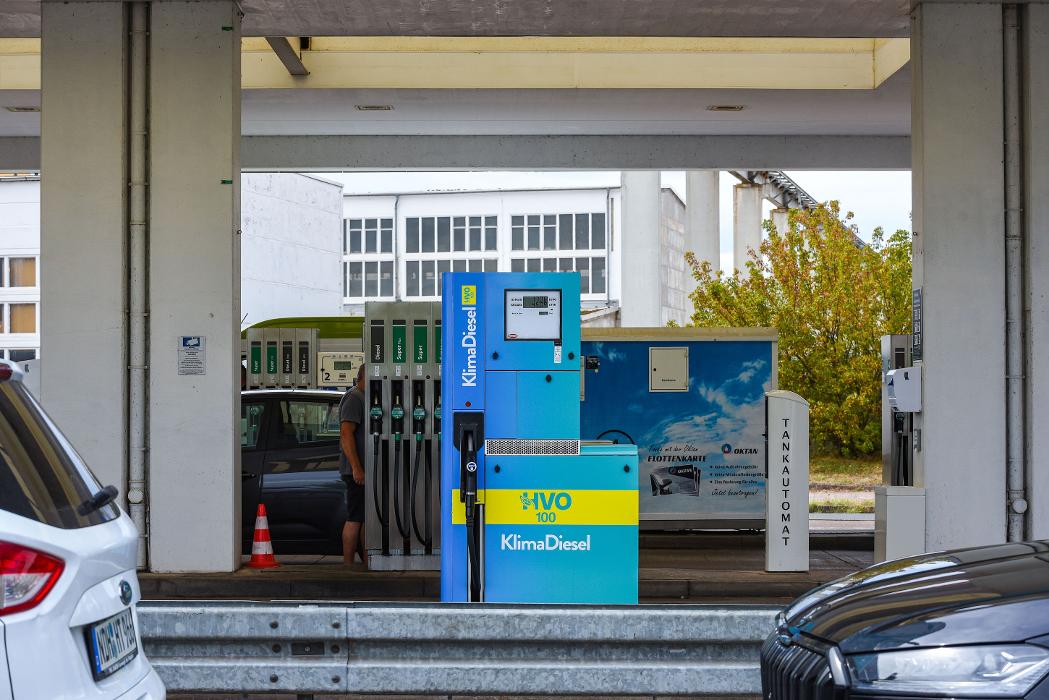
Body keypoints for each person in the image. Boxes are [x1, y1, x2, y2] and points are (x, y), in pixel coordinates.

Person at [339, 363, 368, 566]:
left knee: (367, 518)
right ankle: (348, 565)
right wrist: (357, 468)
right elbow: (346, 434)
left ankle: (368, 561)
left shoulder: (364, 397)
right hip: (356, 471)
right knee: (355, 518)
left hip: (364, 471)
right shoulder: (354, 397)